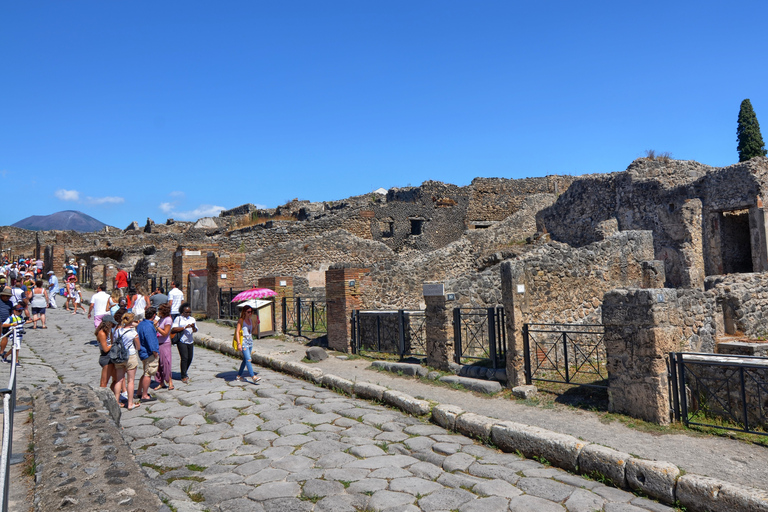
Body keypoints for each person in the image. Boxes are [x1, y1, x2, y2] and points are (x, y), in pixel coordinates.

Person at [112, 313, 141, 410]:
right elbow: (138, 347)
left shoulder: (117, 331)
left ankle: (116, 402)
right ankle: (130, 403)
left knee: (119, 380)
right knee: (131, 381)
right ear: (132, 321)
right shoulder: (133, 333)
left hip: (119, 356)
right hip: (130, 355)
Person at [136, 307, 159, 402]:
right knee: (148, 373)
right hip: (148, 353)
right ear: (154, 315)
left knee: (145, 372)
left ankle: (139, 392)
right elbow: (151, 340)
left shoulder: (141, 324)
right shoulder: (149, 326)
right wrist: (155, 352)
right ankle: (144, 395)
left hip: (142, 352)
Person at [235, 305, 261, 384]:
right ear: (244, 312)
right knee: (249, 359)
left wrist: (256, 324)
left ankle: (239, 376)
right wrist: (239, 343)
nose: (250, 313)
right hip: (244, 341)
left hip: (250, 340)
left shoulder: (250, 320)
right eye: (248, 312)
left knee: (245, 360)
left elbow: (251, 331)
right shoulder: (241, 320)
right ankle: (253, 377)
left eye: (251, 311)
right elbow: (237, 332)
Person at [170, 302, 196, 384]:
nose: (188, 314)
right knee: (184, 357)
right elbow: (173, 329)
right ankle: (183, 375)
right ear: (182, 312)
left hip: (190, 340)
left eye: (189, 312)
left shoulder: (192, 319)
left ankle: (184, 371)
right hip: (181, 340)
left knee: (190, 358)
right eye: (186, 312)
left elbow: (195, 330)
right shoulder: (179, 318)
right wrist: (184, 327)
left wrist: (193, 327)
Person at [153, 303, 174, 390]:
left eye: (160, 310)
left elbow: (165, 333)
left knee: (166, 363)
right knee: (158, 364)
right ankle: (161, 382)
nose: (159, 312)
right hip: (158, 343)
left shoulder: (168, 320)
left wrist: (157, 327)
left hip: (165, 343)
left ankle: (170, 382)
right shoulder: (160, 319)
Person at [95, 314, 116, 389]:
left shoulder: (107, 332)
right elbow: (105, 349)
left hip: (109, 357)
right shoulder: (102, 333)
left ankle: (112, 396)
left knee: (118, 379)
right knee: (104, 383)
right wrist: (114, 345)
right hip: (106, 358)